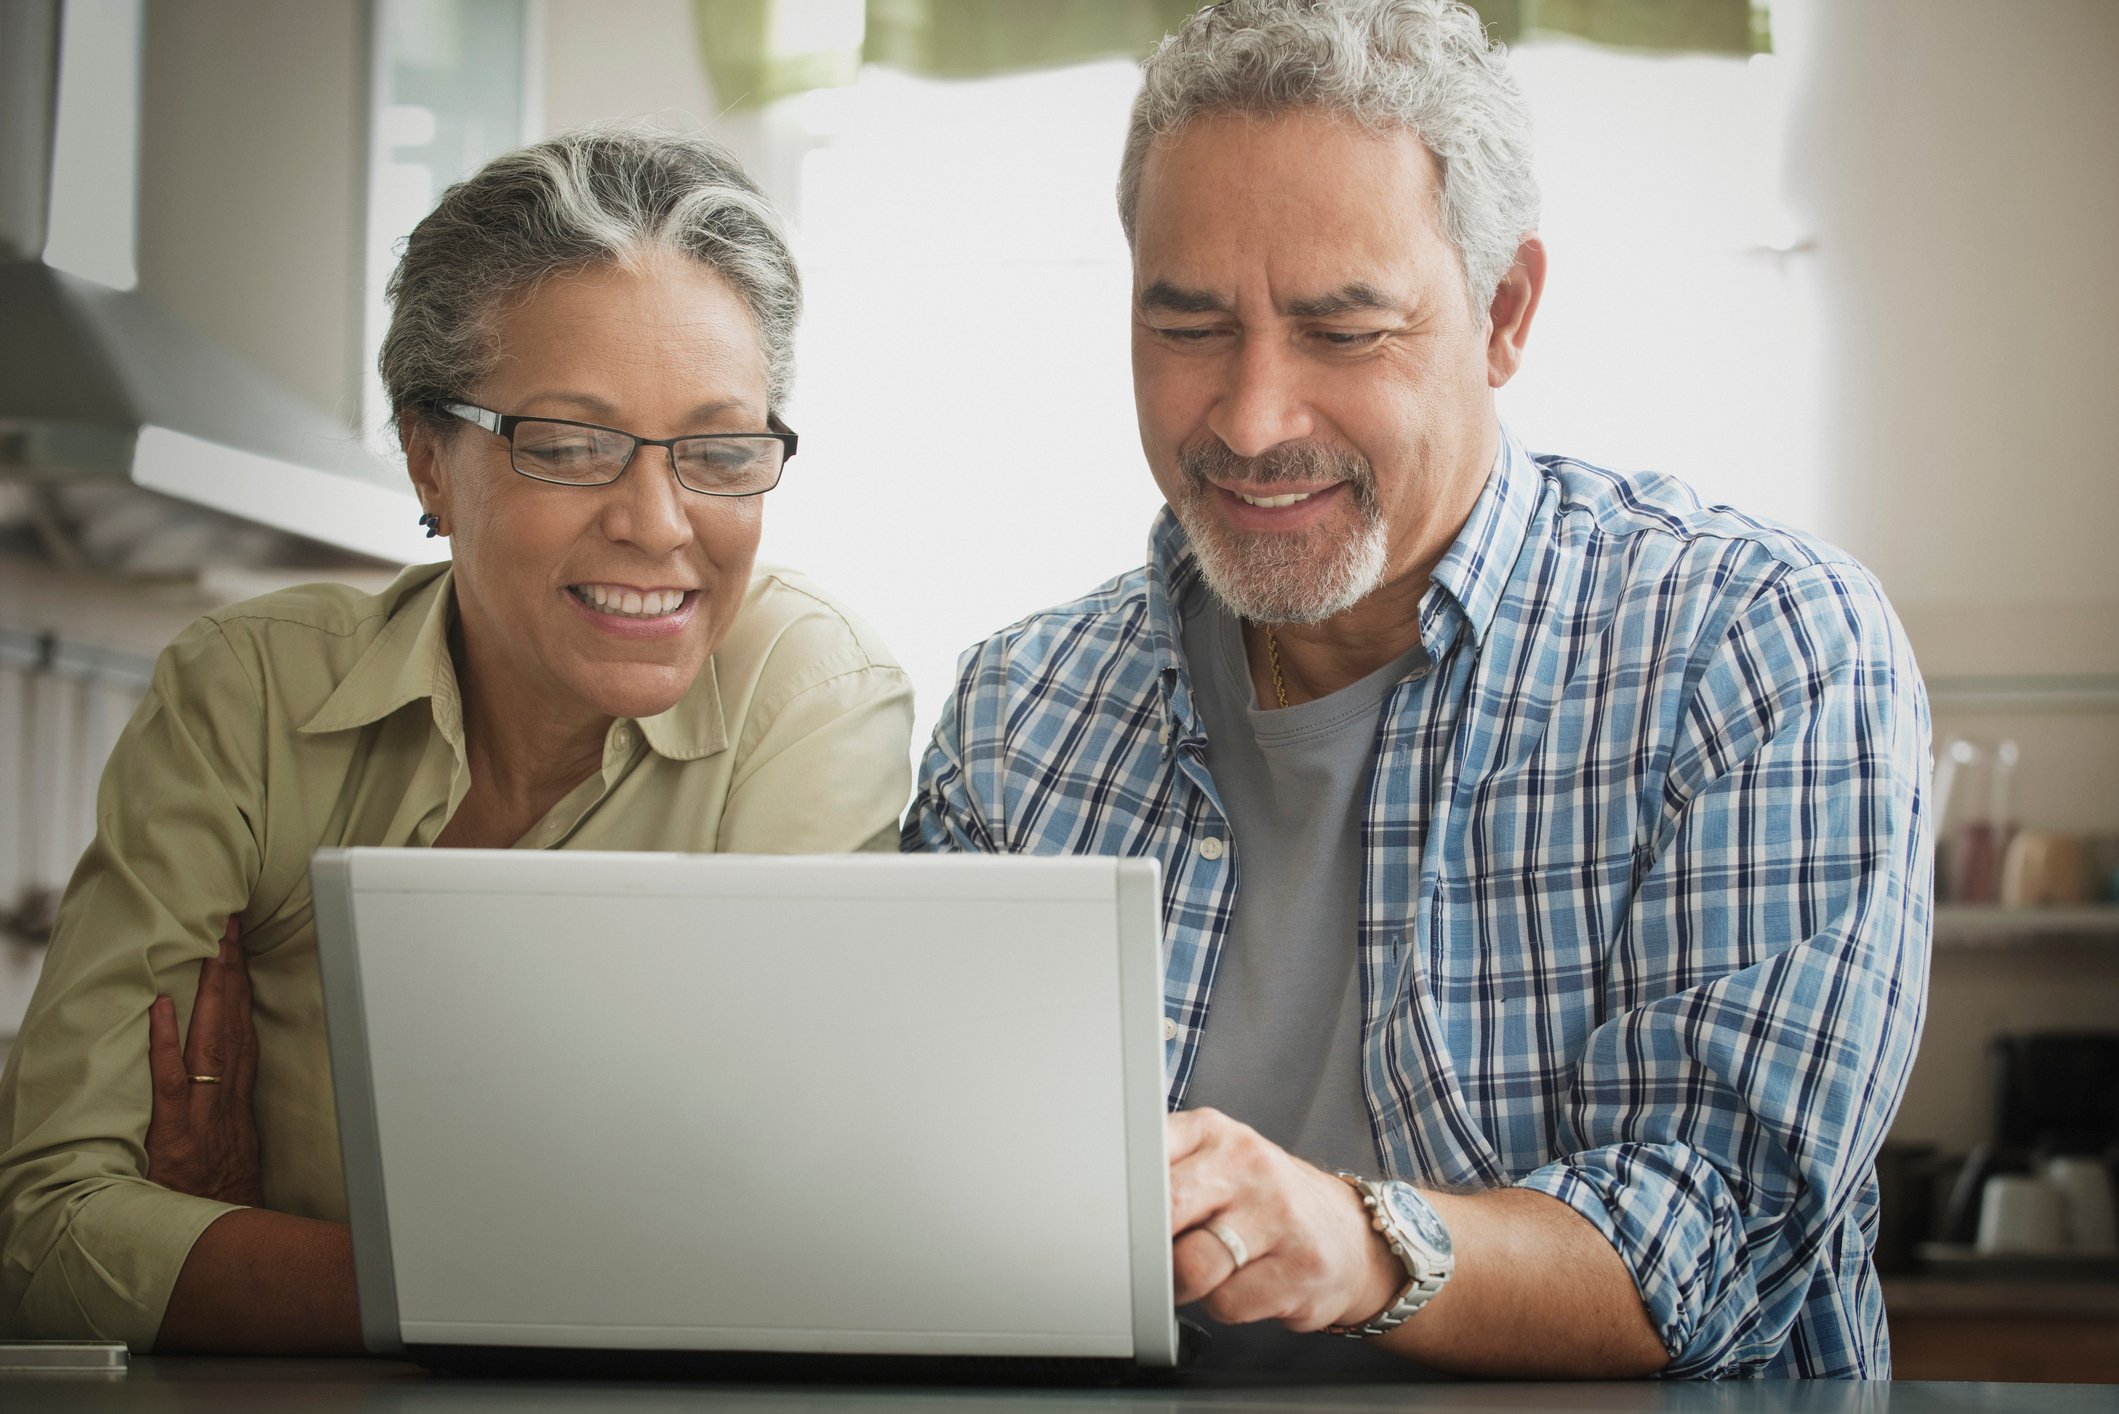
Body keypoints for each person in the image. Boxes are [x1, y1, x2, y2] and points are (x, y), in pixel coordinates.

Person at [905, 0, 1929, 1380]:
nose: (1254, 418)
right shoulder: (1014, 714)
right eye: (1190, 325)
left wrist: (1358, 1240)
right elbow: (923, 1207)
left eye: (1342, 330)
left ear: (1501, 312)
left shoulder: (1755, 652)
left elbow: (1722, 1236)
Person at [0, 128, 914, 1353]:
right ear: (430, 455)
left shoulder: (809, 694)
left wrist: (239, 1250)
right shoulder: (249, 694)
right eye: (572, 444)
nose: (659, 523)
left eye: (718, 451)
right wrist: (541, 1282)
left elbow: (757, 1254)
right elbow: (47, 1228)